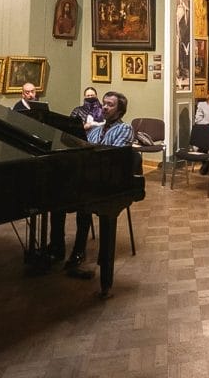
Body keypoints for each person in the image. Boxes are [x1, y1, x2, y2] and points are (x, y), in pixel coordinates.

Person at [65, 91, 135, 278]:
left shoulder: (125, 129)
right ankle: (61, 248)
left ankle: (83, 252)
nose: (104, 107)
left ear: (120, 111)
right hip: (91, 180)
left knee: (85, 205)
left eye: (110, 105)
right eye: (104, 103)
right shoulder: (95, 130)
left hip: (111, 183)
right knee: (68, 203)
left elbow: (114, 156)